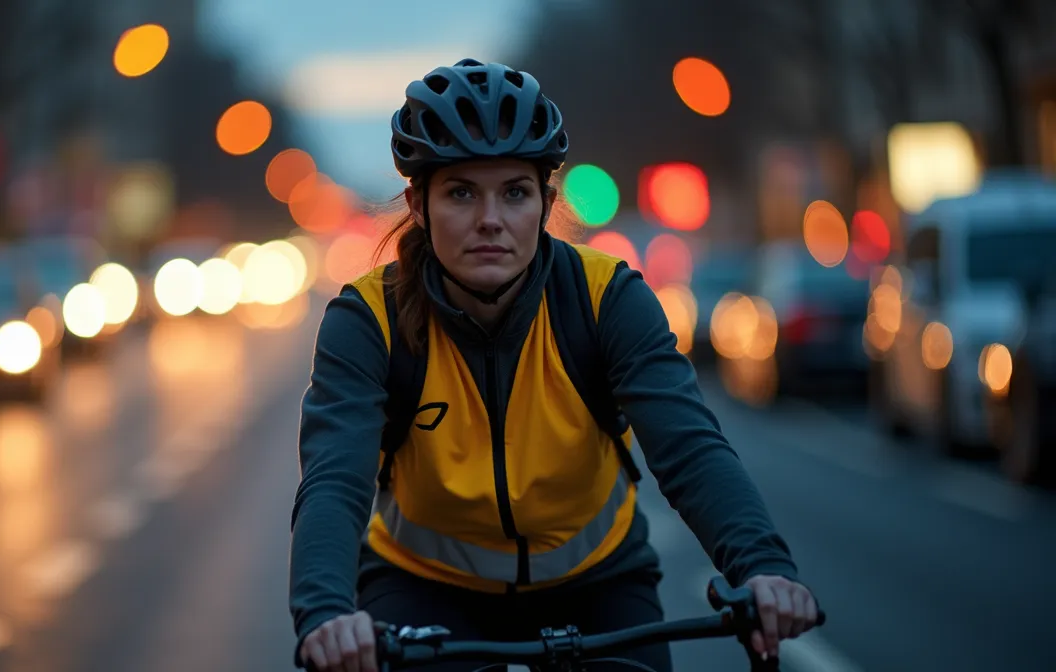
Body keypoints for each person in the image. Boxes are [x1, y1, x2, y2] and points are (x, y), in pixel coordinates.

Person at [289, 58, 819, 672]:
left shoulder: (606, 298)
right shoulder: (367, 320)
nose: (491, 219)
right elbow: (334, 480)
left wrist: (762, 569)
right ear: (418, 202)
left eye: (514, 192)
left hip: (597, 583)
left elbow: (690, 448)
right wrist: (325, 613)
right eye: (461, 192)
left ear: (544, 201)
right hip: (424, 588)